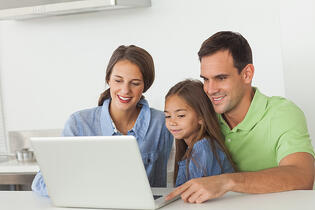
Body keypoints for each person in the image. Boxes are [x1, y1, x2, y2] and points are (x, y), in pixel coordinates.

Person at [166, 31, 315, 203]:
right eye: (206, 79)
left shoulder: (282, 113)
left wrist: (227, 181)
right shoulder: (204, 115)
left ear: (247, 74)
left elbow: (302, 176)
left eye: (221, 78)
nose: (210, 89)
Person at [32, 45, 173, 196]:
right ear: (108, 80)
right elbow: (41, 182)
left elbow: (164, 185)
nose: (125, 90)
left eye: (135, 83)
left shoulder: (162, 123)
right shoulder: (79, 123)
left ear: (145, 85)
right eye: (118, 80)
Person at [164, 79, 235, 187]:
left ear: (201, 117)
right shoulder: (194, 147)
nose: (172, 122)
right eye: (168, 116)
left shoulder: (202, 148)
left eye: (181, 115)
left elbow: (195, 195)